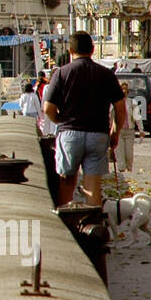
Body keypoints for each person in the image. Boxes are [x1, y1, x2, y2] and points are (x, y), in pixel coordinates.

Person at [42, 31, 127, 207]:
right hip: (98, 134)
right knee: (93, 187)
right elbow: (120, 109)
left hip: (70, 134)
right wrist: (115, 133)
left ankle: (67, 224)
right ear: (93, 49)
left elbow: (47, 108)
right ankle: (93, 224)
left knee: (66, 182)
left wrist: (61, 122)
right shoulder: (106, 74)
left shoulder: (61, 73)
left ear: (70, 51)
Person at [116, 81, 137, 171]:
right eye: (122, 89)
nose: (124, 91)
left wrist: (141, 130)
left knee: (129, 153)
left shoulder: (132, 102)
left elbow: (137, 116)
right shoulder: (115, 102)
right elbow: (110, 115)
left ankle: (129, 167)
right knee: (119, 152)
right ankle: (121, 168)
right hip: (119, 130)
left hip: (129, 130)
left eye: (125, 89)